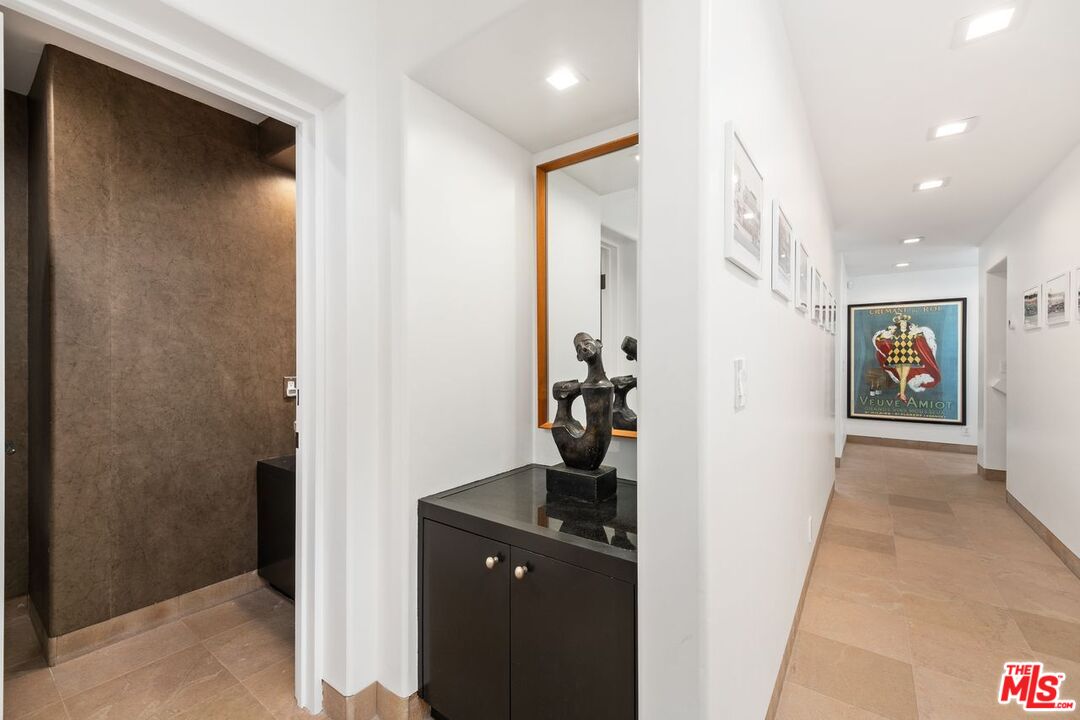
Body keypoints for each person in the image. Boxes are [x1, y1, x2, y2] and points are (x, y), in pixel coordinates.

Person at [873, 313, 941, 402]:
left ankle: (902, 394)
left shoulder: (912, 332)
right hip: (896, 355)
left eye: (904, 323)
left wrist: (918, 332)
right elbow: (880, 338)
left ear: (907, 323)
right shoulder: (894, 333)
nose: (903, 324)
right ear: (899, 324)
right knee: (901, 376)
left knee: (904, 377)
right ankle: (901, 393)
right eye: (901, 323)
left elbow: (921, 339)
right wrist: (883, 335)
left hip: (908, 355)